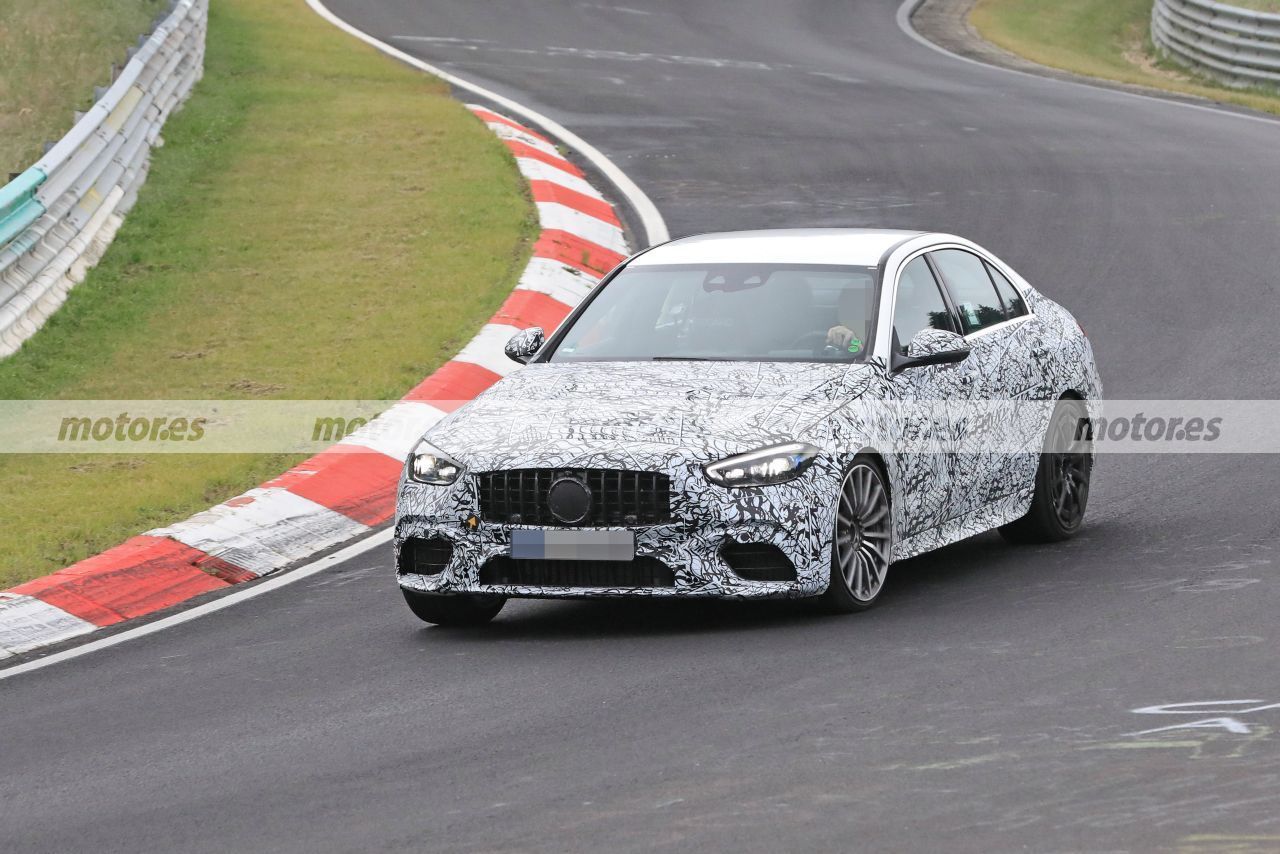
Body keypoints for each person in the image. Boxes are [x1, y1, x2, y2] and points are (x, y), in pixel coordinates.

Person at [826, 286, 870, 354]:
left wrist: (858, 348)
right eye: (846, 307)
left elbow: (874, 361)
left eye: (857, 307)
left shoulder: (879, 338)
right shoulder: (821, 337)